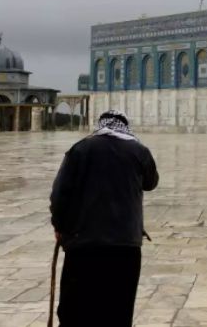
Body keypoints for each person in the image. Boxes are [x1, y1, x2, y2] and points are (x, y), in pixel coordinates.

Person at [50, 110, 158, 326]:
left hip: (83, 243)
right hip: (125, 244)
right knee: (118, 308)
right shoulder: (139, 151)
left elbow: (60, 193)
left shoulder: (81, 149)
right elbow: (151, 182)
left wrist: (59, 226)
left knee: (75, 308)